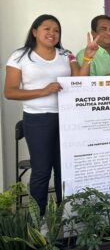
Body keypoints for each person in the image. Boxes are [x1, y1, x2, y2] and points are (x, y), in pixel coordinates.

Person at [4, 14, 100, 214]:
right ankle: (37, 221)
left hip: (66, 118)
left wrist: (88, 57)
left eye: (56, 30)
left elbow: (79, 80)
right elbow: (10, 91)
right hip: (37, 119)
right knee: (41, 171)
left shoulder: (66, 54)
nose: (52, 33)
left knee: (65, 171)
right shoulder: (20, 56)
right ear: (34, 32)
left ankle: (64, 217)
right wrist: (43, 91)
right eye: (47, 29)